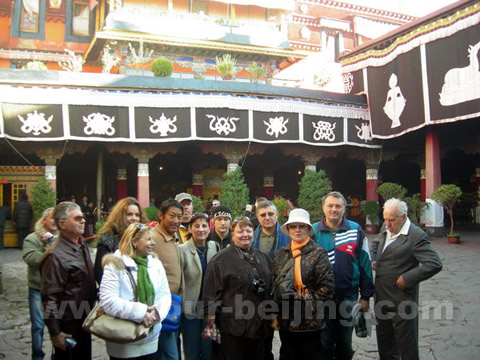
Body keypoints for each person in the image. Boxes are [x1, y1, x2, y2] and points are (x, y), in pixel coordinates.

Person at [371, 198, 442, 360]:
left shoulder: (415, 235)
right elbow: (375, 243)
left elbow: (434, 263)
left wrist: (408, 278)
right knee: (385, 346)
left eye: (392, 220)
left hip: (402, 301)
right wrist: (374, 258)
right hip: (382, 298)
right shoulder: (387, 227)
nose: (387, 224)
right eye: (385, 219)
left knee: (407, 348)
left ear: (403, 217)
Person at [313, 191, 374, 360]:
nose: (334, 209)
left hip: (348, 295)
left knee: (344, 343)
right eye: (330, 205)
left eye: (338, 206)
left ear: (344, 208)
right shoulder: (314, 231)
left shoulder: (355, 230)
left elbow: (364, 262)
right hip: (322, 297)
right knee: (324, 342)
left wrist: (366, 296)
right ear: (323, 208)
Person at [100, 223, 172, 360]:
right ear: (134, 242)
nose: (153, 243)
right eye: (149, 239)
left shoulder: (155, 264)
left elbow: (164, 295)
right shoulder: (115, 264)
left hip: (151, 338)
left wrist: (157, 314)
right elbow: (108, 301)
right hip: (124, 341)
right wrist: (141, 313)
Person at [203, 217, 272, 360]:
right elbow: (211, 291)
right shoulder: (220, 260)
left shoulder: (262, 258)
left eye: (249, 231)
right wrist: (210, 317)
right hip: (232, 326)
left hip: (260, 324)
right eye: (240, 231)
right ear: (232, 234)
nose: (245, 234)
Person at [272, 209, 334, 359]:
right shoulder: (281, 254)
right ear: (288, 229)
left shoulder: (319, 253)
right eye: (293, 226)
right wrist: (274, 314)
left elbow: (327, 287)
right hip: (286, 320)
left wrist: (304, 306)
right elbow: (274, 285)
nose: (297, 230)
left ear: (308, 229)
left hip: (310, 321)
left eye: (302, 226)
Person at [40, 201, 97, 360]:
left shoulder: (81, 244)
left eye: (83, 217)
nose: (83, 221)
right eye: (77, 218)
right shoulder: (55, 256)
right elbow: (49, 298)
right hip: (68, 323)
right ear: (62, 224)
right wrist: (55, 333)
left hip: (84, 319)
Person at [252, 200, 290, 360]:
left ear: (277, 215)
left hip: (284, 294)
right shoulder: (250, 238)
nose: (267, 218)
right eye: (263, 215)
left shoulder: (289, 236)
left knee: (288, 341)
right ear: (257, 217)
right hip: (259, 296)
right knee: (261, 340)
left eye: (270, 214)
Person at [178, 213, 219, 360]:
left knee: (208, 346)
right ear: (190, 229)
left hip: (210, 307)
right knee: (191, 347)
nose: (201, 229)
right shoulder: (181, 250)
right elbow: (180, 280)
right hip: (190, 306)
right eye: (196, 226)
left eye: (204, 226)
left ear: (209, 229)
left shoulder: (214, 246)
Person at [22, 207, 57, 360]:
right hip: (37, 289)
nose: (55, 221)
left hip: (56, 290)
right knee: (38, 325)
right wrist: (45, 248)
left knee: (57, 326)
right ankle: (37, 355)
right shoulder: (32, 238)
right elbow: (31, 259)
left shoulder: (61, 238)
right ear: (44, 221)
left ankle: (57, 354)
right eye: (52, 218)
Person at [152, 199, 184, 360]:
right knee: (168, 354)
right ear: (160, 215)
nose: (176, 221)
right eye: (172, 216)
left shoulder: (174, 236)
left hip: (174, 306)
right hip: (160, 307)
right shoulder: (152, 239)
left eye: (179, 216)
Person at [95, 197, 148, 285]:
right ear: (120, 216)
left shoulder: (144, 240)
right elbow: (100, 274)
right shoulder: (108, 241)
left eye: (137, 215)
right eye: (129, 214)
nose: (134, 218)